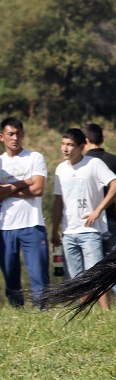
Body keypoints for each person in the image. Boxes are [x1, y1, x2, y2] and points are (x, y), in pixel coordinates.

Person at [52, 128, 116, 311]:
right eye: (63, 144)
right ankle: (84, 313)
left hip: (90, 230)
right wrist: (54, 229)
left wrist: (98, 210)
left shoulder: (94, 164)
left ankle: (105, 312)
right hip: (68, 232)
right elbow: (58, 202)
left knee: (95, 275)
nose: (65, 149)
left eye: (70, 145)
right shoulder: (60, 169)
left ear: (82, 146)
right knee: (76, 279)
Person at [82, 123, 116, 307]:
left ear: (85, 141)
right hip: (111, 219)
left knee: (91, 267)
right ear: (102, 139)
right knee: (114, 265)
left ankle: (100, 308)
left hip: (87, 223)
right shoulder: (115, 160)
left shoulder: (81, 162)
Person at [0, 117, 49, 308]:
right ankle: (17, 311)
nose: (15, 138)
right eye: (11, 134)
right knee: (11, 277)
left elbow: (38, 189)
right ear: (2, 136)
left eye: (18, 133)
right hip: (5, 227)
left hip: (32, 225)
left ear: (23, 135)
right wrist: (24, 182)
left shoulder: (34, 157)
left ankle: (42, 312)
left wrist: (8, 188)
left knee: (38, 276)